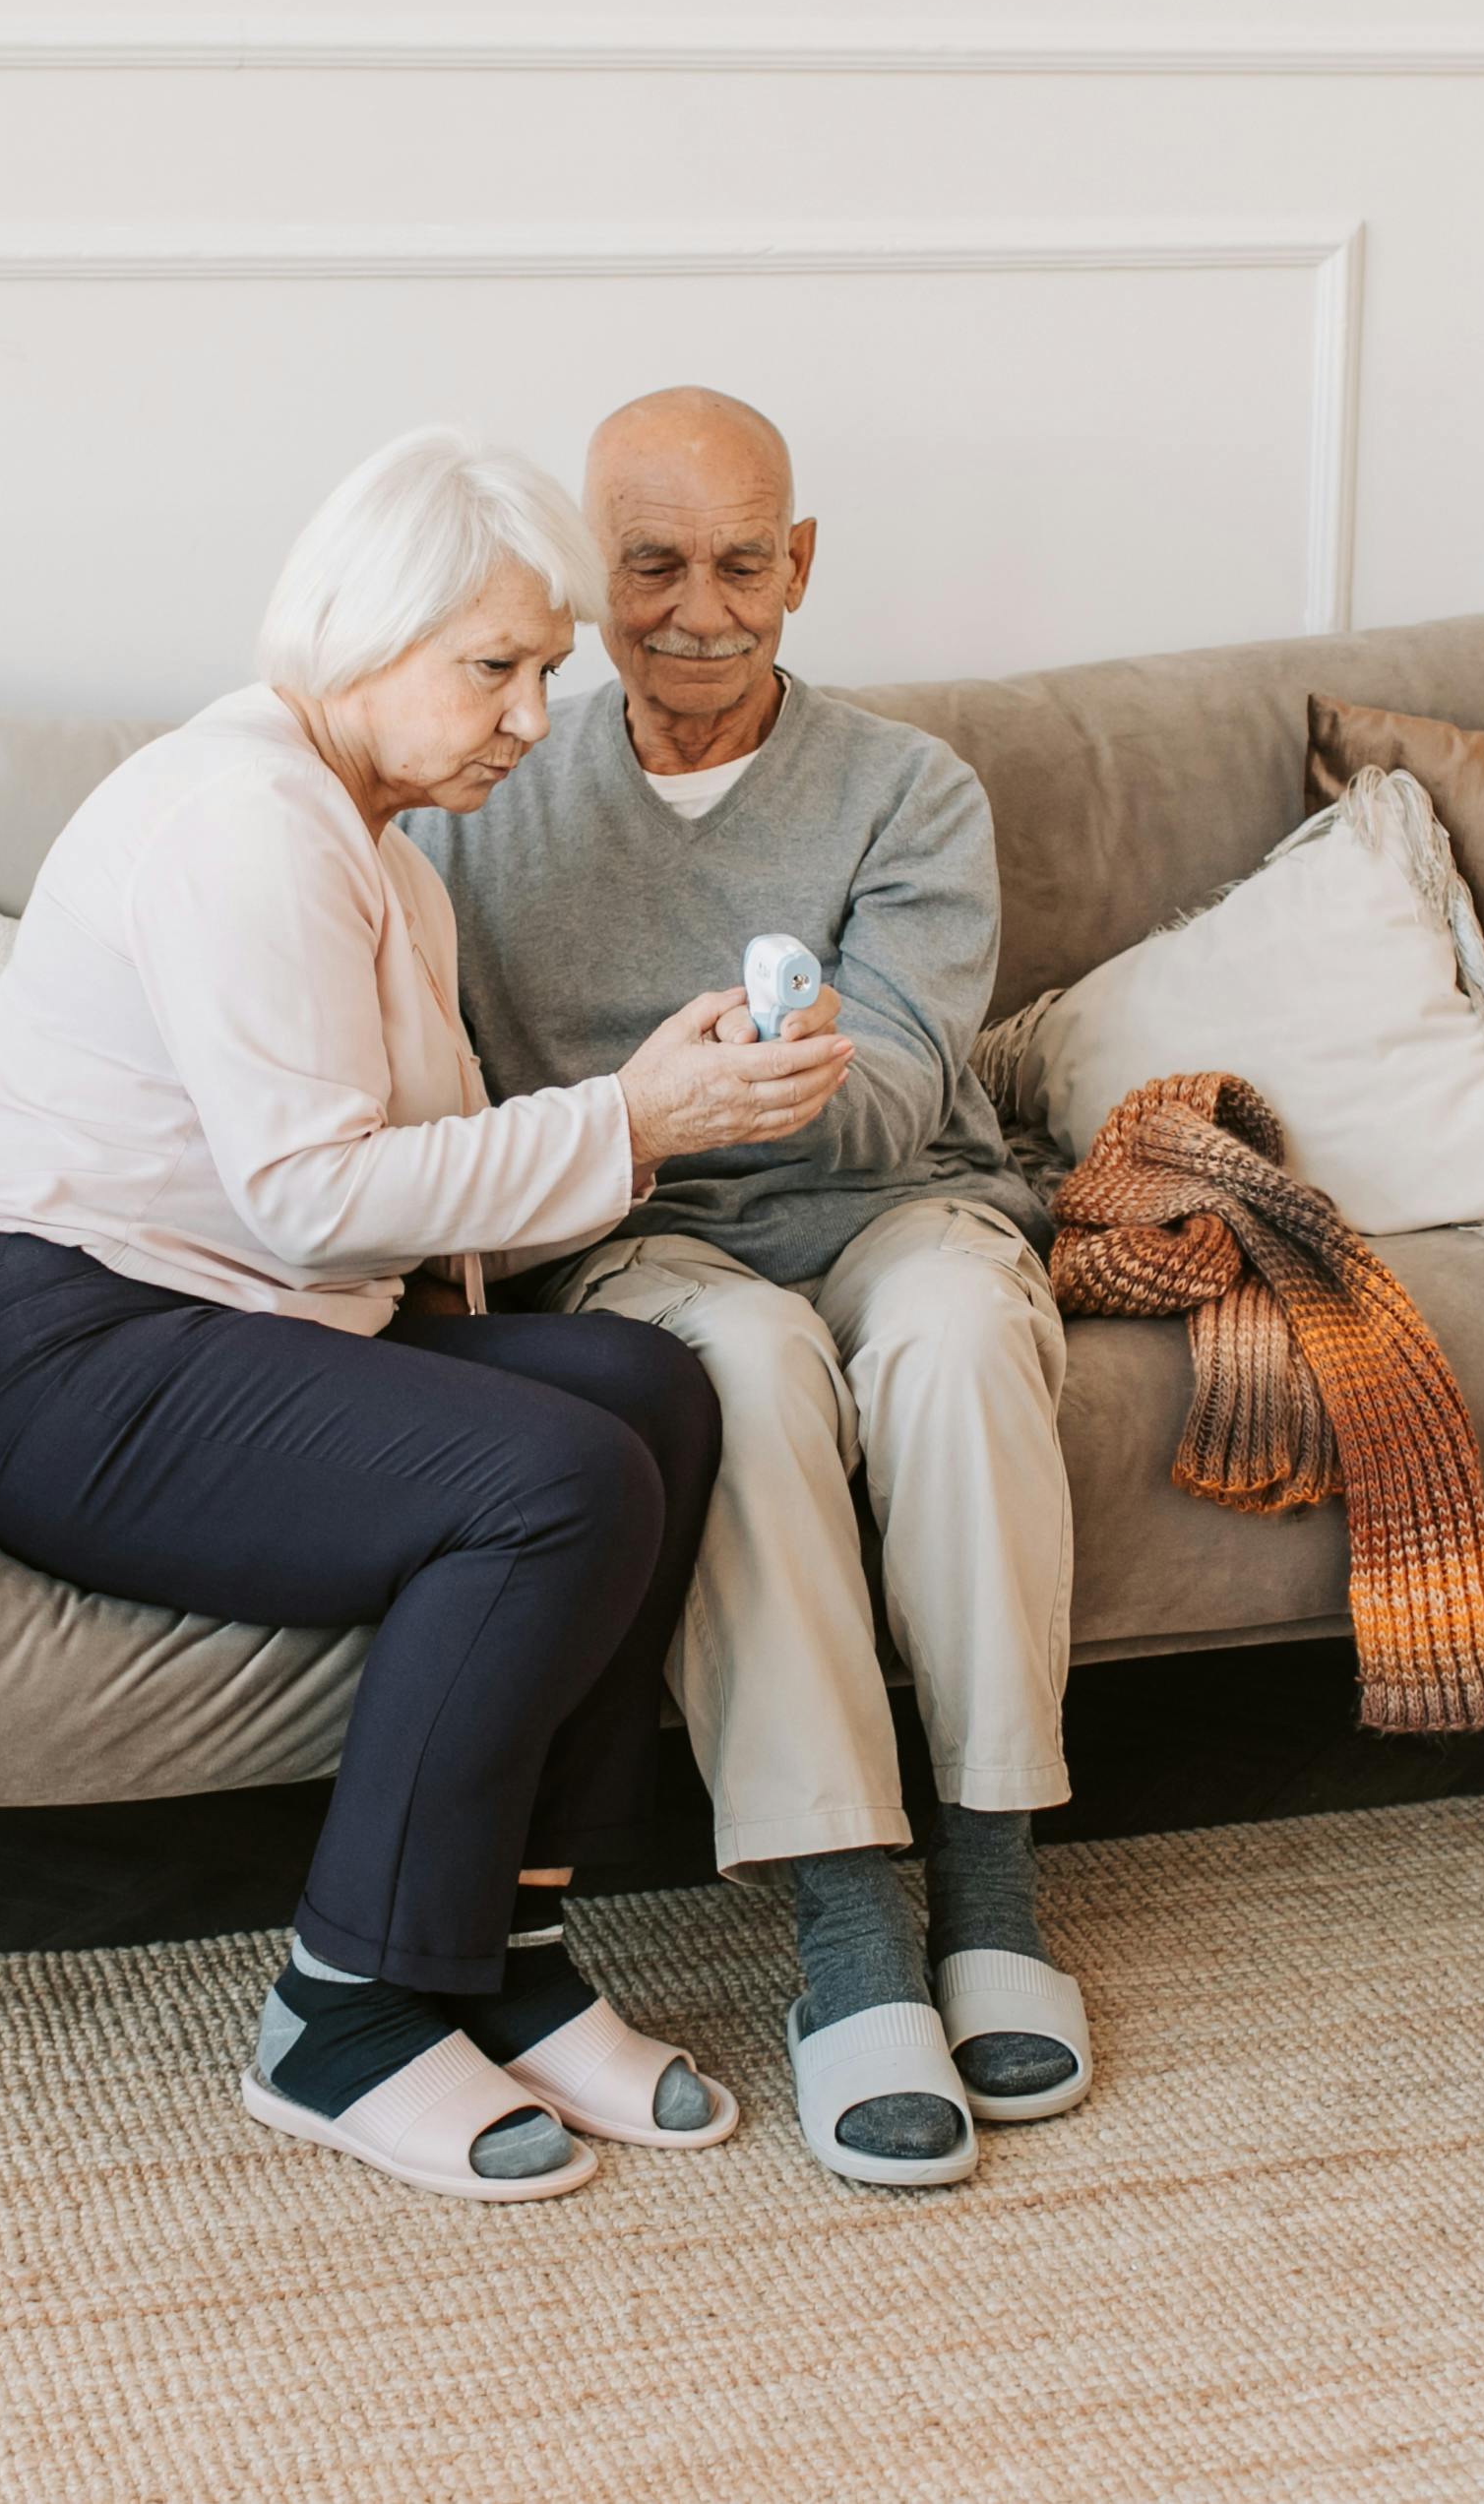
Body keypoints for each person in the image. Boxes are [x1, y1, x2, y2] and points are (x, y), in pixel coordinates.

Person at [0, 425, 859, 2206]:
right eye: (492, 666)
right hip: (66, 1346)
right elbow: (311, 1194)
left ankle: (504, 1952)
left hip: (228, 1318)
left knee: (654, 1392)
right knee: (553, 1475)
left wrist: (634, 1124)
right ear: (359, 631)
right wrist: (634, 1120)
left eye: (545, 671)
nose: (529, 712)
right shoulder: (245, 819)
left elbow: (381, 1194)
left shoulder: (381, 843)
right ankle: (339, 2011)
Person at [415, 387, 1086, 2194]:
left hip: (886, 1195)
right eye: (649, 565)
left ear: (800, 563)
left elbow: (908, 1078)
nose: (697, 609)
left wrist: (782, 1076)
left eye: (738, 562)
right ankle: (852, 1928)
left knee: (951, 1336)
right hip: (636, 1233)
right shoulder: (484, 799)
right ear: (589, 574)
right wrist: (649, 1116)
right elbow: (465, 1110)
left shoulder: (908, 790)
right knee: (750, 1370)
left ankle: (995, 1878)